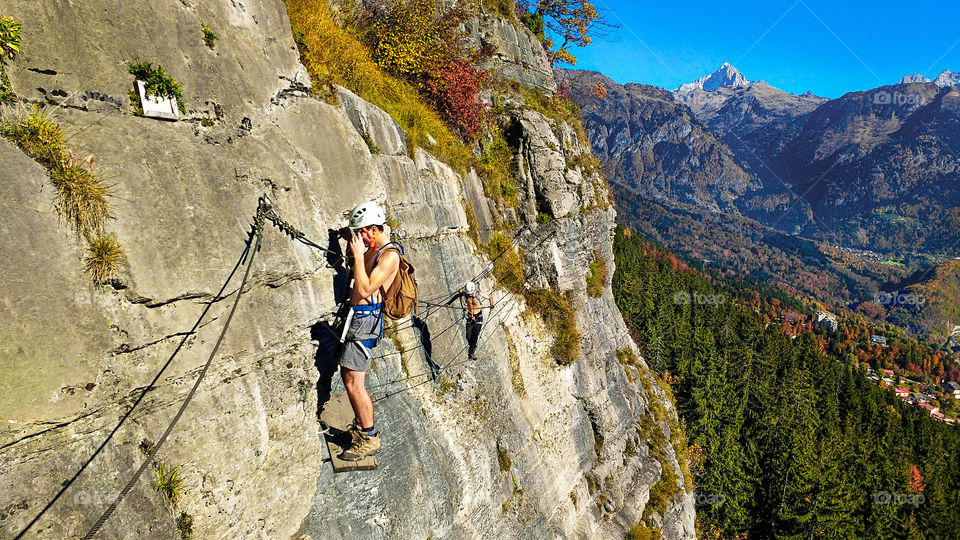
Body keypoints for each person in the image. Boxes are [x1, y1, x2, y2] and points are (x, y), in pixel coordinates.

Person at [336, 201, 399, 461]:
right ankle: (365, 429)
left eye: (361, 232)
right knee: (350, 378)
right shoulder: (374, 244)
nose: (358, 238)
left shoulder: (389, 256)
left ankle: (369, 437)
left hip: (365, 322)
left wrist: (359, 257)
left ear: (373, 230)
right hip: (358, 318)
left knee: (353, 383)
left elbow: (365, 290)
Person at [447, 281, 495, 360]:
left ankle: (471, 353)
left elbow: (490, 297)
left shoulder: (479, 294)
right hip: (470, 317)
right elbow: (456, 296)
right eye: (468, 293)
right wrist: (449, 303)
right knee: (468, 336)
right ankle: (473, 345)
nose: (470, 295)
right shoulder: (466, 294)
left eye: (471, 293)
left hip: (478, 317)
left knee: (475, 336)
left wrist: (491, 304)